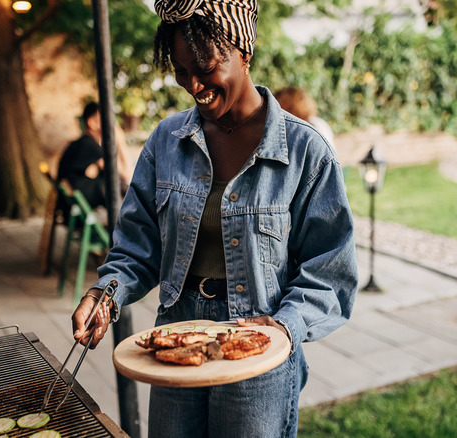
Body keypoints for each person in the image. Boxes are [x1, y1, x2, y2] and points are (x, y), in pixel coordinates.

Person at [71, 1, 358, 437]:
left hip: (257, 344)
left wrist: (285, 326)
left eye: (204, 67)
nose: (193, 85)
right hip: (176, 331)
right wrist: (106, 294)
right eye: (182, 71)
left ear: (244, 50)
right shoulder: (166, 143)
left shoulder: (306, 153)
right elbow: (136, 247)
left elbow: (330, 272)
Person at [56, 102, 134, 214]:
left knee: (122, 188)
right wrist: (120, 140)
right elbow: (126, 174)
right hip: (75, 209)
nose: (111, 124)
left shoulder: (82, 144)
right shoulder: (89, 146)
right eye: (106, 118)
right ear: (92, 122)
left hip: (71, 205)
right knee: (121, 188)